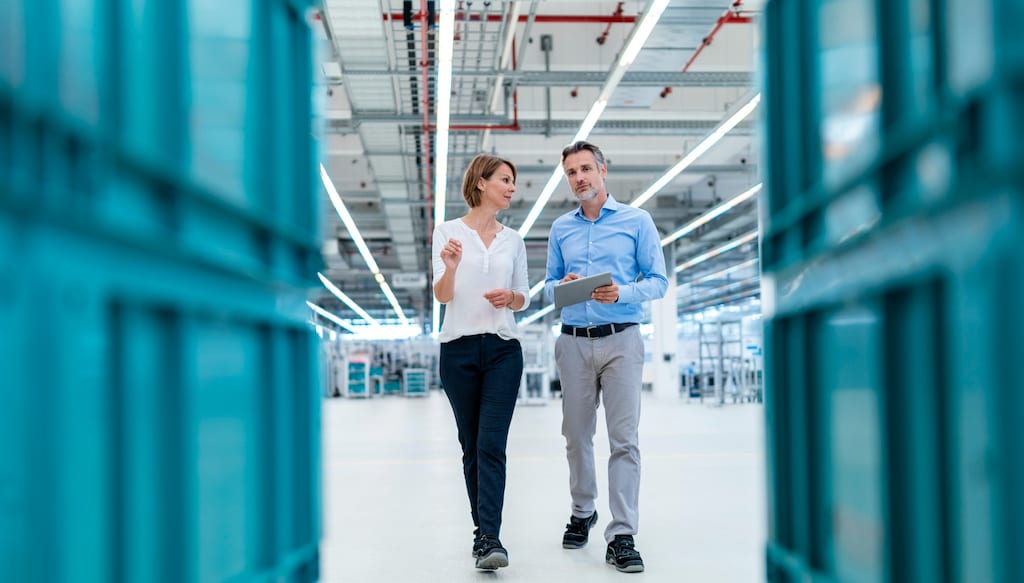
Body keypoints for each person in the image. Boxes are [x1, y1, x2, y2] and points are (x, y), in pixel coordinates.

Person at [544, 140, 668, 573]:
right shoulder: (562, 228)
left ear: (602, 170)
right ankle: (583, 510)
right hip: (574, 340)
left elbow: (658, 281)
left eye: (584, 169)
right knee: (576, 435)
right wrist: (565, 284)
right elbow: (547, 289)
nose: (579, 178)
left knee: (624, 440)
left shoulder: (638, 221)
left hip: (622, 339)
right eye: (571, 173)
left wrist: (622, 292)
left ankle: (622, 534)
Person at [432, 153, 530, 570]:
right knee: (470, 446)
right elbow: (442, 296)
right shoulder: (447, 233)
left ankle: (490, 537)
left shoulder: (514, 240)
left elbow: (524, 296)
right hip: (458, 350)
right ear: (481, 183)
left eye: (513, 181)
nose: (511, 187)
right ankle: (481, 534)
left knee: (491, 443)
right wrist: (451, 267)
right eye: (505, 180)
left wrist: (511, 298)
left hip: (504, 350)